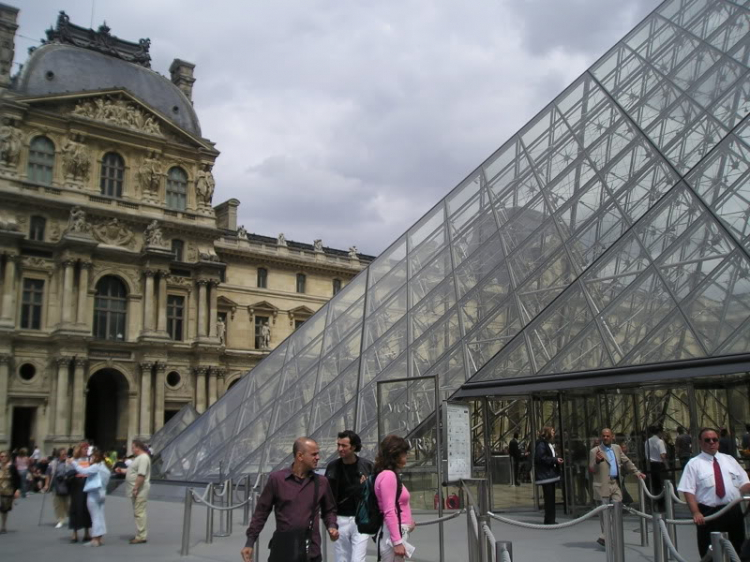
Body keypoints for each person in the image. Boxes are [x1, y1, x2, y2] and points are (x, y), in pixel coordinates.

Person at [241, 437, 338, 562]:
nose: (318, 457)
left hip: (310, 551)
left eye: (318, 454)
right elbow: (261, 513)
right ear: (300, 456)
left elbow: (329, 510)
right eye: (314, 454)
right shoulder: (277, 480)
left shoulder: (321, 482)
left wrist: (332, 526)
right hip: (283, 550)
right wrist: (250, 542)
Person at [678, 427, 750, 557]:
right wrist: (695, 512)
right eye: (707, 440)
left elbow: (744, 483)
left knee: (737, 549)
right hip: (709, 513)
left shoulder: (730, 460)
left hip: (733, 511)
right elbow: (688, 491)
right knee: (709, 551)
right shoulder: (694, 464)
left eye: (714, 439)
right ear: (700, 442)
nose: (711, 442)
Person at [589, 428, 646, 546]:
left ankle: (608, 534)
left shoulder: (617, 448)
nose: (605, 438)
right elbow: (592, 469)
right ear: (601, 437)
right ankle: (605, 536)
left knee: (618, 506)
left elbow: (627, 461)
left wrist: (636, 472)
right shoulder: (595, 451)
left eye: (607, 436)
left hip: (614, 483)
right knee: (604, 512)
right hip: (602, 485)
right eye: (603, 436)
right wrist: (597, 462)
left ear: (612, 437)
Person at [324, 430, 373, 562]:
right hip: (340, 518)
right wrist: (330, 521)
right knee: (342, 558)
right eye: (338, 445)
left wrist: (367, 487)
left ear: (354, 447)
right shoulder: (332, 467)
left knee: (358, 558)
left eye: (344, 446)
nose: (340, 449)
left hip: (360, 519)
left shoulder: (367, 466)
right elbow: (327, 495)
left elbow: (375, 494)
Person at [374, 435, 416, 562]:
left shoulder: (388, 475)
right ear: (395, 455)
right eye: (404, 453)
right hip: (392, 534)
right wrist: (397, 541)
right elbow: (389, 510)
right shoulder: (389, 476)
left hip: (395, 531)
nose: (406, 456)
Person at [115, 440, 151, 544]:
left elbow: (141, 475)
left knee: (139, 512)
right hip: (138, 489)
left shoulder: (143, 458)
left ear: (138, 447)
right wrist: (122, 470)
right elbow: (133, 471)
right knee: (138, 512)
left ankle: (141, 536)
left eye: (133, 447)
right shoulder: (139, 458)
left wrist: (135, 488)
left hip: (140, 490)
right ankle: (140, 534)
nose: (131, 449)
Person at [74, 448, 111, 547]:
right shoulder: (105, 467)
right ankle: (100, 538)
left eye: (92, 457)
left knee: (95, 517)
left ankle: (95, 539)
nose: (90, 458)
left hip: (94, 493)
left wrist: (73, 463)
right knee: (100, 516)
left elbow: (82, 470)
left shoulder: (96, 467)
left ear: (96, 457)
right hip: (102, 493)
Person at [534, 426, 563, 525]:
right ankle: (550, 520)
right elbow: (541, 458)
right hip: (546, 476)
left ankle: (550, 519)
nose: (554, 433)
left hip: (549, 475)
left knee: (550, 499)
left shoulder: (546, 444)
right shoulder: (542, 445)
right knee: (549, 499)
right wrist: (555, 460)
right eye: (552, 431)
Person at [67, 442, 92, 543]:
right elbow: (68, 472)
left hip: (87, 485)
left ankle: (87, 532)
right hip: (77, 486)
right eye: (85, 449)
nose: (86, 451)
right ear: (79, 449)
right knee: (76, 508)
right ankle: (75, 532)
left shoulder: (89, 460)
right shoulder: (73, 460)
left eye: (87, 449)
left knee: (87, 508)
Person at [44, 447, 72, 528]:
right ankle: (60, 519)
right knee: (58, 504)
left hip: (67, 484)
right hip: (57, 485)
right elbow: (48, 474)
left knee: (68, 503)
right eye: (63, 454)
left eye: (65, 454)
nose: (65, 456)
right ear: (58, 455)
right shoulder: (53, 463)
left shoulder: (69, 462)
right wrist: (46, 484)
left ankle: (71, 518)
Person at [645, 425, 667, 511]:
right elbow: (663, 455)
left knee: (653, 486)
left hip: (650, 464)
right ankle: (661, 505)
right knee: (661, 486)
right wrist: (666, 465)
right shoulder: (659, 441)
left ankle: (653, 504)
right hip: (658, 464)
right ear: (659, 432)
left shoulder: (647, 441)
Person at [0, 451, 20, 534]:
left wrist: (17, 490)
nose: (3, 458)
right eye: (1, 456)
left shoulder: (12, 467)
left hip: (8, 490)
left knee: (4, 508)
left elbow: (17, 479)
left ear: (8, 457)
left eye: (4, 456)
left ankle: (3, 525)